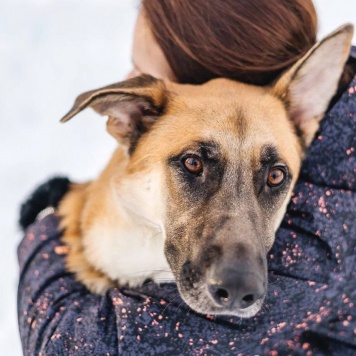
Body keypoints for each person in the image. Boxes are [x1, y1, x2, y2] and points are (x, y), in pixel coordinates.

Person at [18, 0, 356, 354]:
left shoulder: (316, 245)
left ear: (208, 81)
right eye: (195, 166)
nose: (131, 80)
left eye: (272, 178)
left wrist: (43, 223)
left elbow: (67, 346)